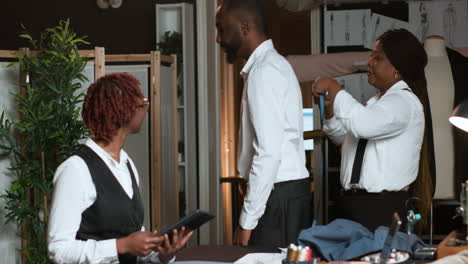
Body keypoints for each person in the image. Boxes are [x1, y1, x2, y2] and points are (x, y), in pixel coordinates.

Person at [47, 73, 192, 264]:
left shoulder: (127, 163)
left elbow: (135, 249)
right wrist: (121, 245)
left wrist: (163, 255)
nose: (146, 109)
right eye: (143, 102)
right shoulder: (76, 170)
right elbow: (58, 250)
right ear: (124, 110)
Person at [312, 29, 432, 231]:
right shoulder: (376, 104)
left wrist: (335, 88)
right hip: (355, 205)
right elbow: (346, 141)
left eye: (378, 58)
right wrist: (330, 112)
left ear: (397, 69)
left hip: (380, 209)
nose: (370, 62)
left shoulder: (404, 102)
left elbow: (363, 126)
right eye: (371, 56)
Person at [215, 0, 312, 248]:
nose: (219, 38)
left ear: (245, 27)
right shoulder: (273, 65)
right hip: (286, 194)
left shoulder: (264, 72)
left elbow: (268, 153)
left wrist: (246, 222)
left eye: (222, 28)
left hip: (277, 197)